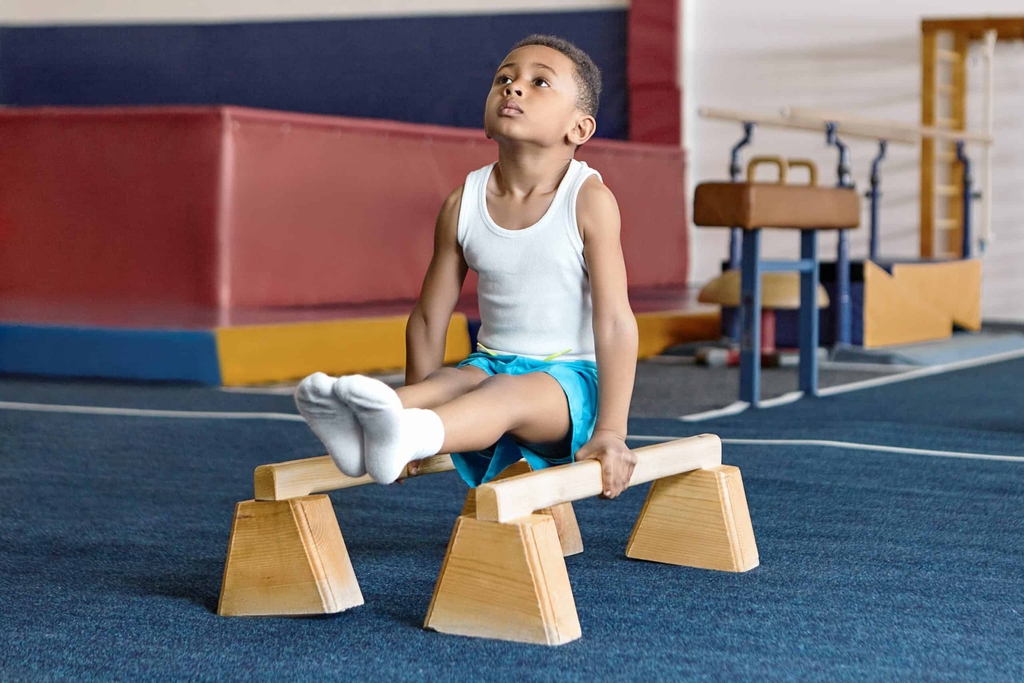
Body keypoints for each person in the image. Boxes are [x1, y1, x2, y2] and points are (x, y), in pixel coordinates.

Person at [295, 34, 639, 498]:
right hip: (490, 365)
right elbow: (427, 318)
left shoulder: (589, 201)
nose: (514, 87)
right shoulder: (463, 203)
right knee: (448, 382)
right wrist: (418, 396)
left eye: (539, 82)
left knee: (499, 394)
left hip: (570, 383)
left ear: (579, 129)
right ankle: (374, 425)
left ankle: (404, 429)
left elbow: (616, 320)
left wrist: (612, 432)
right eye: (504, 78)